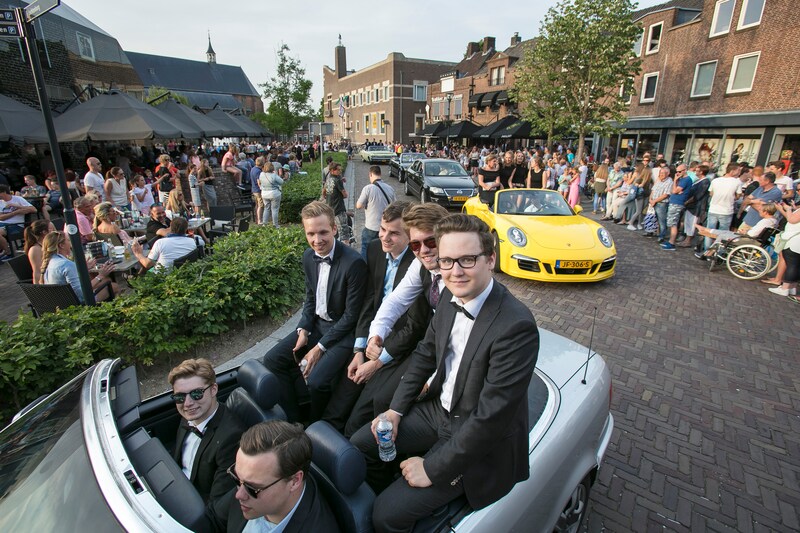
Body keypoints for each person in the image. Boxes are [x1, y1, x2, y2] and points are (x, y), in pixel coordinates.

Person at [351, 214, 539, 533]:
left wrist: (432, 469)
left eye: (467, 259)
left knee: (386, 516)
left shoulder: (516, 327)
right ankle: (395, 491)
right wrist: (395, 411)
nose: (455, 271)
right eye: (448, 260)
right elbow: (425, 355)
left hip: (477, 438)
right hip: (439, 412)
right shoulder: (450, 296)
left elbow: (490, 418)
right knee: (360, 443)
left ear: (490, 259)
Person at [322, 201, 428, 438]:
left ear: (410, 236)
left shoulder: (419, 263)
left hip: (401, 347)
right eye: (382, 229)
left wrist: (380, 358)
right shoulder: (374, 250)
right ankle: (323, 442)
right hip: (373, 337)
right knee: (341, 394)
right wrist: (360, 347)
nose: (385, 238)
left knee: (363, 411)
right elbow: (369, 302)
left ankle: (352, 445)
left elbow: (415, 326)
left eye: (394, 233)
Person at [262, 201, 367, 422]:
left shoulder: (354, 263)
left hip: (343, 333)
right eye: (310, 234)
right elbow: (310, 299)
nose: (317, 240)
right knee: (272, 359)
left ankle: (316, 425)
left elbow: (351, 317)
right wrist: (303, 329)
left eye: (323, 232)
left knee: (317, 382)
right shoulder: (308, 256)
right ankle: (294, 422)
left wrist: (319, 348)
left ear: (334, 229)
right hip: (317, 326)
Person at [205, 420, 339, 532]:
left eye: (252, 488)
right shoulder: (250, 481)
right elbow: (213, 519)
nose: (238, 495)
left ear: (294, 481)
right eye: (236, 478)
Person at [167, 358, 245, 505]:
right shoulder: (189, 415)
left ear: (213, 389)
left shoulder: (232, 437)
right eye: (180, 397)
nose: (187, 403)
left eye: (196, 394)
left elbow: (217, 501)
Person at [40, 230, 116, 302]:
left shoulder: (49, 262)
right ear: (61, 245)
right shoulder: (66, 264)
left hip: (60, 302)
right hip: (77, 303)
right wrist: (101, 275)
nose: (70, 243)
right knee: (114, 286)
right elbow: (81, 293)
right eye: (68, 240)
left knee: (107, 280)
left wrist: (83, 269)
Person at [694, 203, 778, 259]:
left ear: (766, 212)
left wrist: (745, 232)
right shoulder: (773, 221)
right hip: (753, 239)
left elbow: (752, 233)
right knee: (726, 232)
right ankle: (705, 230)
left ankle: (709, 253)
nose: (759, 211)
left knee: (722, 235)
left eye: (761, 210)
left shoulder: (765, 221)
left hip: (748, 239)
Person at [356, 165, 396, 258]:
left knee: (366, 250)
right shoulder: (390, 188)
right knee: (383, 253)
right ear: (380, 174)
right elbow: (395, 206)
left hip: (371, 226)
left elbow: (358, 205)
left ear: (370, 174)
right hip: (385, 228)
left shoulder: (368, 188)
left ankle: (365, 266)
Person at [132, 217, 198, 271]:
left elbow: (147, 264)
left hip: (163, 277)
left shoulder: (160, 243)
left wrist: (138, 254)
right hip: (184, 274)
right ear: (186, 229)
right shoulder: (192, 242)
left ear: (170, 228)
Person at [704, 162, 742, 251]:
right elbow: (738, 196)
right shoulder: (737, 182)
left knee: (710, 231)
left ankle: (707, 250)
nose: (739, 173)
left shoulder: (715, 180)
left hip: (713, 209)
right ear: (733, 171)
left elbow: (711, 193)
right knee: (723, 233)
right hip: (726, 211)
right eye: (738, 171)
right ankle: (719, 251)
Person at [769, 201, 800, 301]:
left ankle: (785, 288)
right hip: (795, 241)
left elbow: (791, 220)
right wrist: (784, 209)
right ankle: (792, 287)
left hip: (794, 241)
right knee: (796, 265)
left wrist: (789, 209)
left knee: (792, 265)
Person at [660, 165, 694, 251]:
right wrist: (676, 188)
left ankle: (672, 242)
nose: (677, 173)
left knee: (673, 223)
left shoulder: (686, 180)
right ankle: (670, 241)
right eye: (677, 172)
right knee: (672, 223)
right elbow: (673, 190)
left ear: (685, 170)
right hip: (674, 201)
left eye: (679, 171)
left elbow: (675, 191)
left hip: (677, 203)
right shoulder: (681, 179)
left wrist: (675, 181)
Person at [0, 184, 37, 261]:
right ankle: (3, 250)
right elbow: (1, 217)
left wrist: (17, 206)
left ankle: (8, 252)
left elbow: (34, 210)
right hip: (2, 224)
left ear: (4, 192)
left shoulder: (18, 199)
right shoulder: (0, 202)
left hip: (15, 225)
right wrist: (16, 212)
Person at [322, 163, 353, 244]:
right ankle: (345, 248)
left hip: (330, 210)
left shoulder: (328, 179)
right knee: (344, 232)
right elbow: (345, 195)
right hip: (339, 209)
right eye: (338, 170)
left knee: (333, 230)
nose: (340, 171)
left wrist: (330, 196)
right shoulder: (337, 180)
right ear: (332, 170)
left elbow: (323, 193)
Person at [24, 219, 53, 284]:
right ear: (44, 232)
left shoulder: (49, 244)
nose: (55, 231)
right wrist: (39, 287)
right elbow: (37, 271)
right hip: (48, 282)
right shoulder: (35, 249)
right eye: (52, 229)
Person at [648, 167, 673, 240]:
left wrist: (654, 201)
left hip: (661, 203)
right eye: (660, 173)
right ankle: (652, 232)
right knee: (652, 218)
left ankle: (662, 235)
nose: (661, 174)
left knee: (662, 221)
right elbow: (653, 190)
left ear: (667, 173)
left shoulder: (669, 182)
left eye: (663, 173)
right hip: (653, 202)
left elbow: (666, 195)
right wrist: (650, 199)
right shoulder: (658, 180)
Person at [259, 162, 285, 228]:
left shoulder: (261, 174)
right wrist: (276, 174)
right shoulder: (274, 175)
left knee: (266, 208)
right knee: (275, 209)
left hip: (264, 193)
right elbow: (281, 182)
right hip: (274, 193)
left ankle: (264, 224)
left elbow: (260, 181)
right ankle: (275, 225)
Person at [250, 156, 265, 226]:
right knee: (261, 205)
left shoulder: (253, 169)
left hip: (253, 189)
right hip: (258, 190)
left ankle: (257, 219)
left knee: (257, 205)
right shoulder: (258, 171)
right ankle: (260, 220)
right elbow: (259, 182)